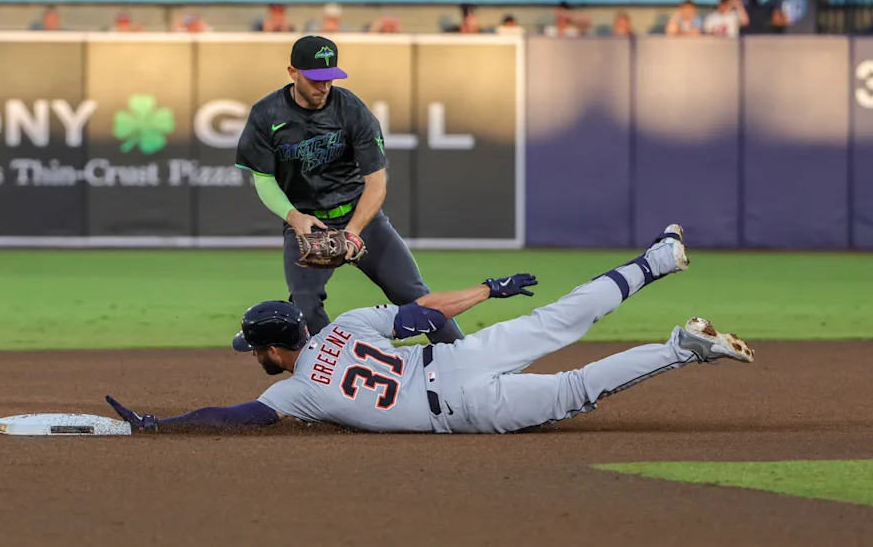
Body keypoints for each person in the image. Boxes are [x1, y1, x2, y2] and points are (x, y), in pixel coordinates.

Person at [106, 225, 755, 435]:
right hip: (462, 359)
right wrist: (489, 290)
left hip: (463, 407)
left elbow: (234, 417)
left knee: (576, 390)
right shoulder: (349, 325)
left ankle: (683, 348)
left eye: (256, 349)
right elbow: (425, 315)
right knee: (559, 317)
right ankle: (658, 260)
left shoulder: (292, 393)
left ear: (276, 348)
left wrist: (165, 425)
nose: (255, 358)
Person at [233, 35, 466, 345]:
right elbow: (263, 179)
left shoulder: (351, 108)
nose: (324, 86)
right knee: (304, 305)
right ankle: (333, 369)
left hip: (361, 217)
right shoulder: (267, 114)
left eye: (329, 77)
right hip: (309, 224)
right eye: (315, 78)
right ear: (292, 72)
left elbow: (376, 182)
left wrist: (353, 233)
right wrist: (293, 217)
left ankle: (466, 361)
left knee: (414, 295)